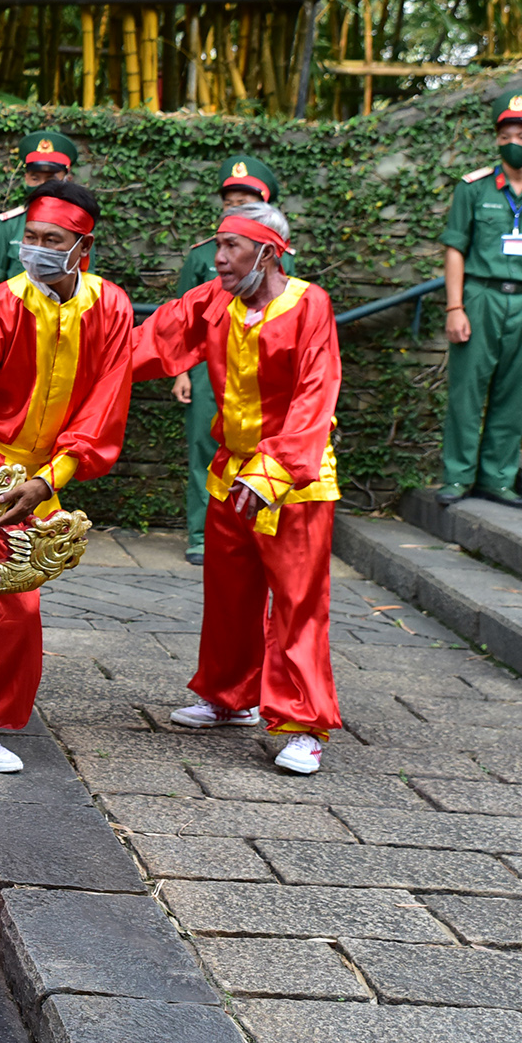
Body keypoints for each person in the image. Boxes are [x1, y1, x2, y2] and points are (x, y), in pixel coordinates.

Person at [131, 201, 344, 776]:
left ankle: (302, 724)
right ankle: (228, 698)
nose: (218, 259)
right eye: (218, 246)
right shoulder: (213, 301)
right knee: (229, 594)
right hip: (231, 471)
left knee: (298, 604)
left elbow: (314, 398)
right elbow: (150, 343)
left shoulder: (309, 305)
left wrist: (273, 471)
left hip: (294, 482)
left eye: (231, 248)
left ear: (268, 254)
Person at [0, 181, 135, 774]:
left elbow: (106, 402)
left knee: (1, 597)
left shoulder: (112, 307)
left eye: (52, 240)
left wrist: (51, 480)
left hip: (44, 478)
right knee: (3, 598)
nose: (36, 249)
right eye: (31, 237)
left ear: (83, 248)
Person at [438, 91, 522, 507]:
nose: (514, 140)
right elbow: (455, 248)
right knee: (466, 391)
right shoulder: (473, 188)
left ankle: (497, 478)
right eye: (506, 133)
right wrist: (455, 306)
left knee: (514, 393)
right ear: (497, 140)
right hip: (480, 297)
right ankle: (458, 476)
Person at [171, 156, 295, 565]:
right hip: (209, 366)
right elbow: (180, 326)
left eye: (244, 200)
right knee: (204, 449)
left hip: (260, 368)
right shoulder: (201, 255)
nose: (234, 207)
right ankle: (200, 534)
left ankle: (256, 529)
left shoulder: (280, 257)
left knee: (259, 448)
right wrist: (184, 374)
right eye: (229, 200)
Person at [0, 131, 79, 290]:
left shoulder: (78, 224)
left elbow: (86, 278)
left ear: (67, 178)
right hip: (16, 310)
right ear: (26, 178)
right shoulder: (8, 224)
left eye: (51, 179)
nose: (42, 185)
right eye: (35, 178)